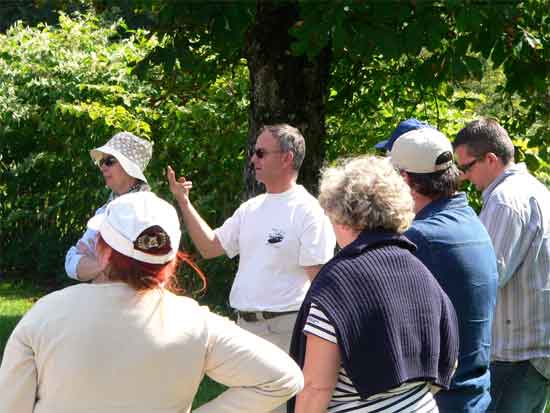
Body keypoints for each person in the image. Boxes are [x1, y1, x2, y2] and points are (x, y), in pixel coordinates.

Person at [0, 191, 304, 413]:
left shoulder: (45, 314)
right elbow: (283, 378)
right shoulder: (196, 324)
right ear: (172, 262)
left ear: (104, 251)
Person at [289, 155, 459, 413]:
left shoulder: (338, 283)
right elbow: (450, 361)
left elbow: (316, 386)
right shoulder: (420, 270)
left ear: (342, 216)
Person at [386, 125, 498, 412]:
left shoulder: (420, 237)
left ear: (404, 179)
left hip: (440, 400)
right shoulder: (467, 217)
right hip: (472, 394)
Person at [454, 117, 550, 413]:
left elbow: (486, 277)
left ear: (491, 159)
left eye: (466, 167)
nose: (464, 177)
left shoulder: (504, 200)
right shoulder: (534, 188)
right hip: (532, 349)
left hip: (515, 354)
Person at [65, 131, 153, 282]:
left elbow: (141, 272)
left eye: (110, 161)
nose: (103, 167)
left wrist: (97, 264)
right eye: (101, 162)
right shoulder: (104, 211)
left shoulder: (149, 210)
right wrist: (104, 266)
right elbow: (71, 262)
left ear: (129, 168)